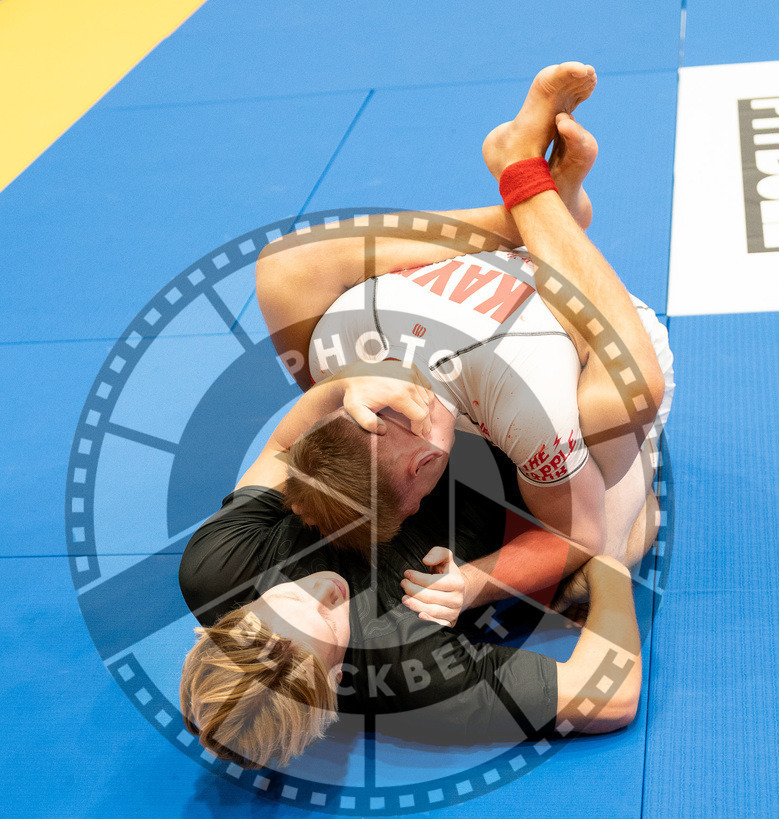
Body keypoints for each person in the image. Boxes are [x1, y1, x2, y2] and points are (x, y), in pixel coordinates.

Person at [179, 64, 648, 770]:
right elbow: (607, 697)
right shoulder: (404, 671)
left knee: (286, 271)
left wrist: (349, 391)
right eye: (329, 610)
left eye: (288, 593)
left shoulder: (216, 571)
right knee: (623, 399)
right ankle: (533, 193)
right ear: (336, 682)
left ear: (214, 627)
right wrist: (596, 560)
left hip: (385, 429)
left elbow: (283, 444)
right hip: (519, 484)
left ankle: (530, 211)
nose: (321, 583)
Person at [256, 63, 674, 622]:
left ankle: (527, 183)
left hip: (581, 333)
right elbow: (286, 447)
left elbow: (578, 533)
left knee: (600, 536)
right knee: (285, 269)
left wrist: (472, 584)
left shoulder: (534, 406)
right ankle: (540, 213)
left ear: (427, 462)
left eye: (417, 499)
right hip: (485, 314)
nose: (421, 506)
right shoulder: (334, 340)